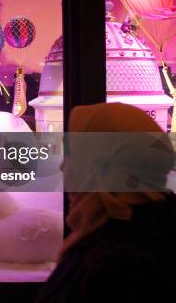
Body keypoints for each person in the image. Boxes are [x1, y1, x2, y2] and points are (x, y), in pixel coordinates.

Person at [36, 103, 176, 303]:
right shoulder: (124, 234)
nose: (62, 166)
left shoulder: (123, 264)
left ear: (101, 166)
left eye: (73, 154)